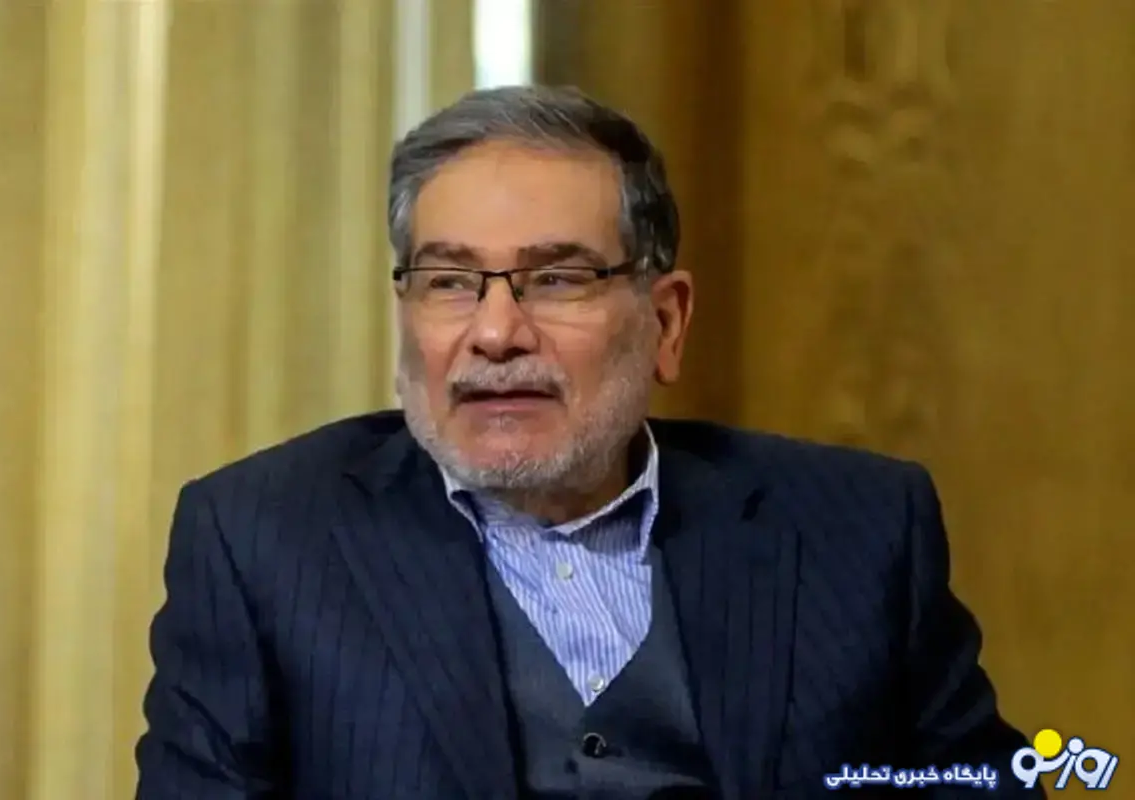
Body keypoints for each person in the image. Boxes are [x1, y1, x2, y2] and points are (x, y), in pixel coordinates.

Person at [135, 85, 1042, 799]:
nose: (496, 333)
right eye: (449, 281)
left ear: (665, 322)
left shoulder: (857, 528)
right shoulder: (259, 539)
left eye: (558, 279)